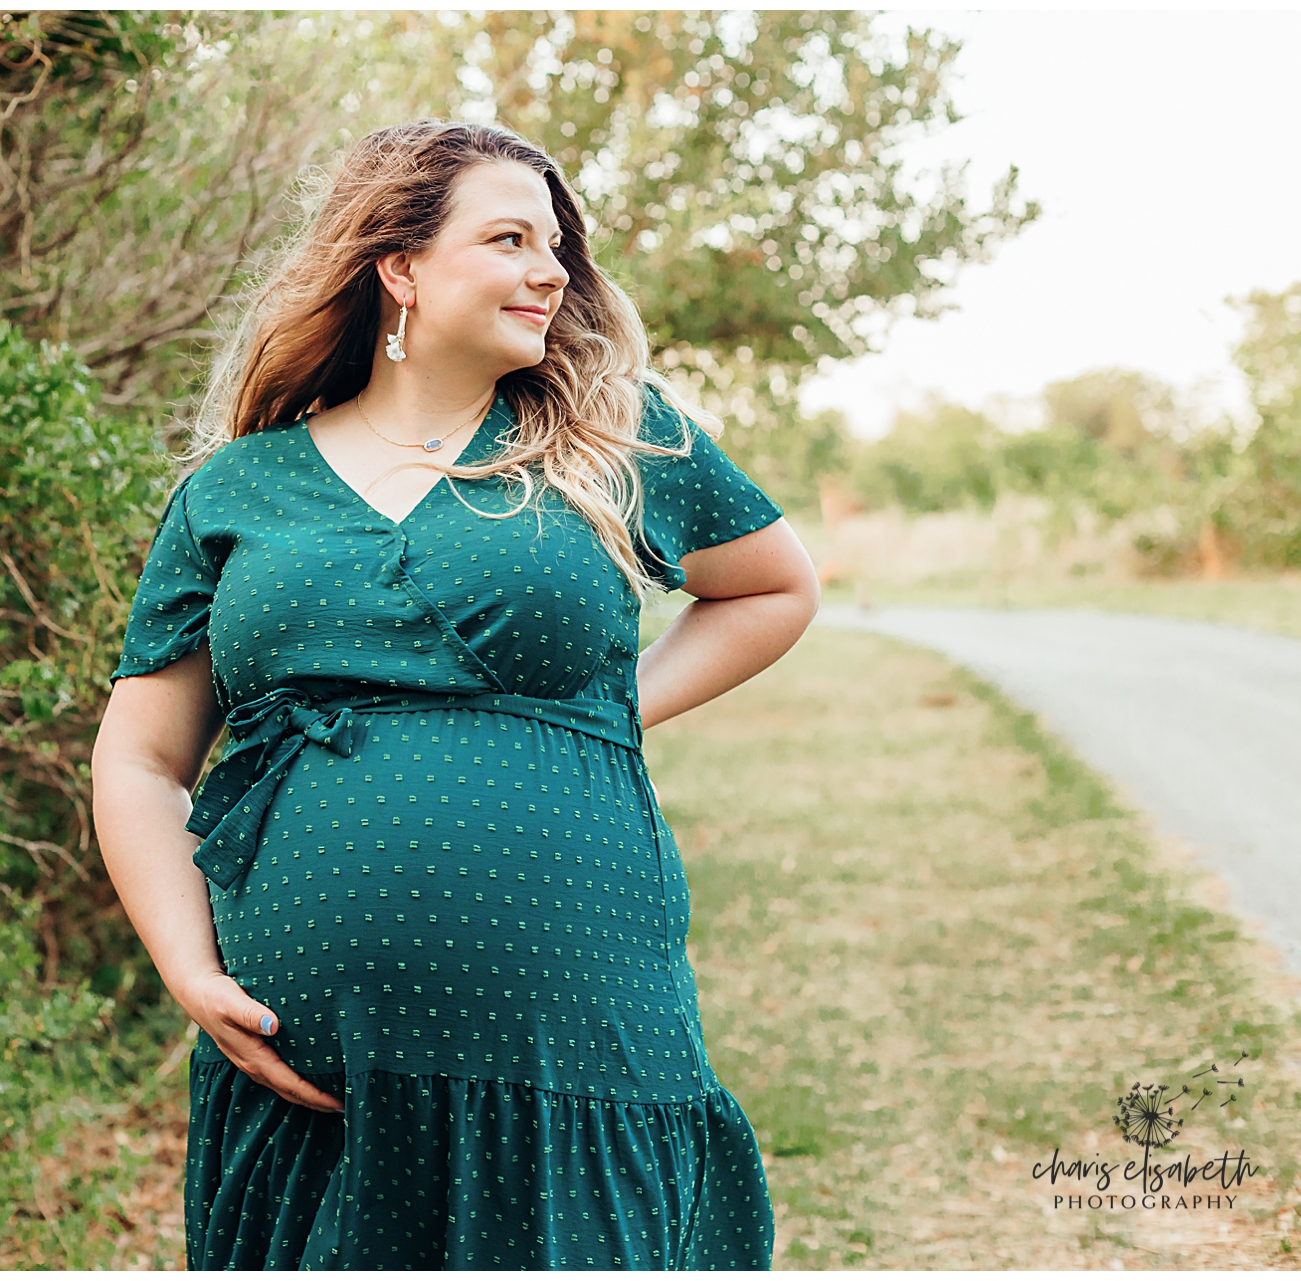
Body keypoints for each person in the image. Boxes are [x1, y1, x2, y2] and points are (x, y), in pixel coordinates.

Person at [90, 119, 820, 1270]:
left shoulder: (608, 434)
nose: (552, 271)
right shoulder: (239, 488)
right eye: (510, 238)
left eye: (558, 246)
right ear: (401, 268)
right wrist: (186, 968)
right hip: (312, 1077)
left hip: (571, 1033)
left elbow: (771, 587)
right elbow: (139, 757)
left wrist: (600, 708)